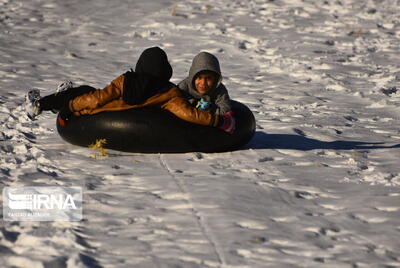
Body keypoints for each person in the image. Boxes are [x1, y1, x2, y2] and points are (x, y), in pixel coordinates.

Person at [25, 47, 235, 133]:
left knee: (85, 93)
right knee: (84, 92)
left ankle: (41, 103)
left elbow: (96, 100)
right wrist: (219, 121)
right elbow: (187, 113)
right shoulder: (169, 92)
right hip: (116, 116)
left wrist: (69, 108)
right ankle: (59, 97)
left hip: (97, 113)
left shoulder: (125, 80)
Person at [178, 51, 234, 123]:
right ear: (193, 77)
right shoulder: (184, 86)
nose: (203, 83)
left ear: (215, 79)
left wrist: (210, 109)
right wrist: (195, 104)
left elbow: (225, 109)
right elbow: (177, 104)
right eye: (199, 78)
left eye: (208, 78)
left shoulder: (219, 90)